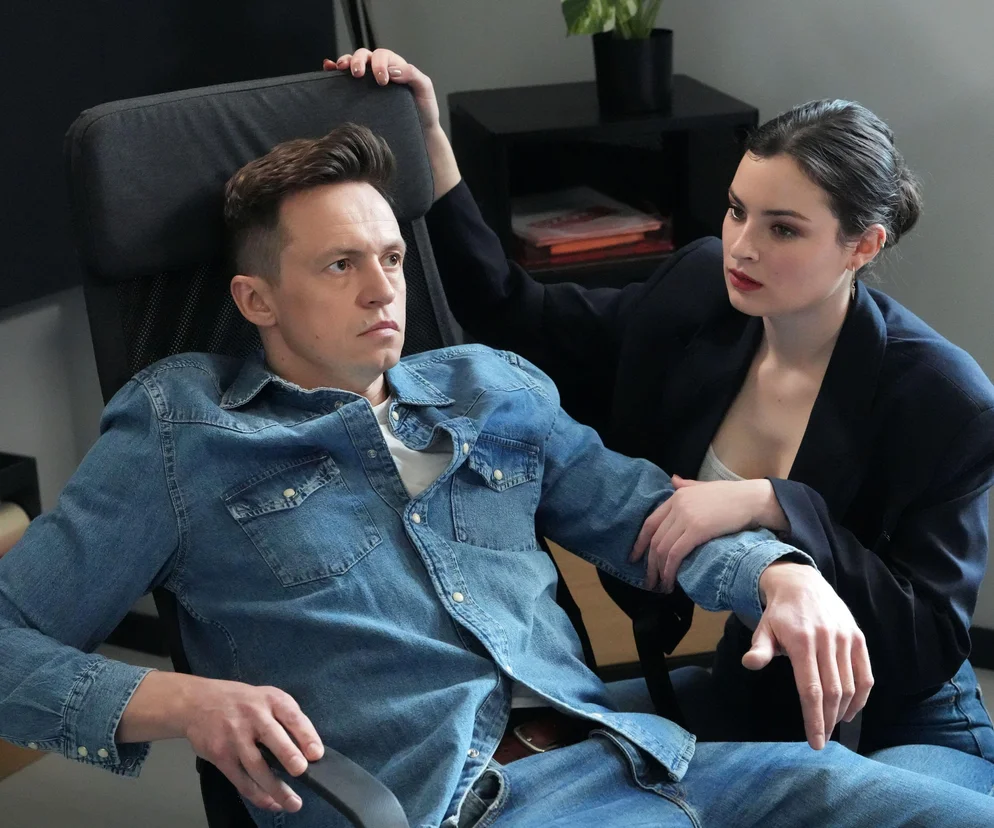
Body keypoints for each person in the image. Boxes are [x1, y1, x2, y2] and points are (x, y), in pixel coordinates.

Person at [0, 121, 991, 826]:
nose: (384, 292)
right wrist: (184, 701)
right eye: (341, 266)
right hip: (468, 801)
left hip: (644, 758)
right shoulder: (185, 432)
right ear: (255, 298)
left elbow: (641, 509)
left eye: (393, 258)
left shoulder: (486, 390)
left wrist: (782, 572)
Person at [328, 49, 994, 791]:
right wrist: (428, 136)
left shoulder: (942, 397)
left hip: (904, 718)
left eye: (783, 230)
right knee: (527, 762)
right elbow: (515, 313)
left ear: (863, 246)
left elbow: (928, 640)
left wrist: (777, 504)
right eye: (737, 210)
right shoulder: (699, 291)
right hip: (760, 692)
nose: (742, 247)